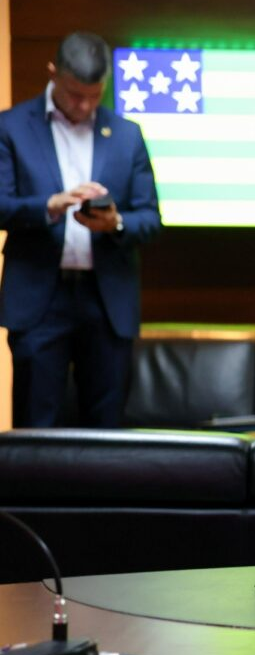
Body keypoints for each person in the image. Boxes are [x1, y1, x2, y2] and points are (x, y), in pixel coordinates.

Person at [0, 31, 161, 427]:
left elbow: (150, 218)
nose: (85, 105)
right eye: (75, 95)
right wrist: (49, 206)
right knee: (36, 428)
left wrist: (115, 222)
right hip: (40, 299)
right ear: (53, 73)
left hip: (106, 300)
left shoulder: (126, 134)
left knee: (107, 433)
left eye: (95, 95)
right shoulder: (11, 127)